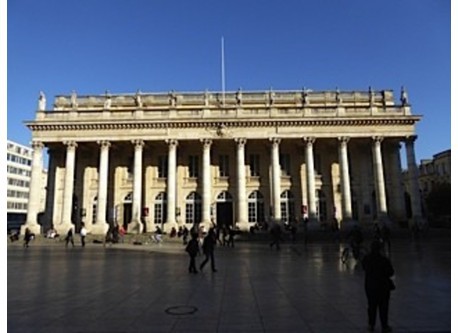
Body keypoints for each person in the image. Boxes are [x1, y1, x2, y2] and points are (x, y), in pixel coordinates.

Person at [362, 240, 395, 333]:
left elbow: (364, 267)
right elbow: (391, 272)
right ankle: (384, 325)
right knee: (383, 307)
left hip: (370, 286)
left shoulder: (367, 258)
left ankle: (371, 325)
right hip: (383, 286)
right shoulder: (384, 260)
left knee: (371, 306)